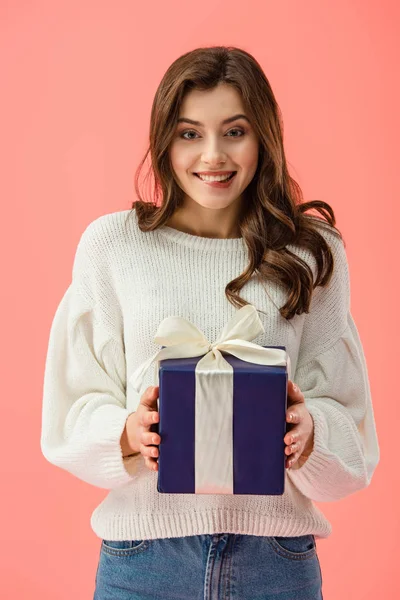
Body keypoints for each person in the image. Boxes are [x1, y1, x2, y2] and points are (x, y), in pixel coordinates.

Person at [40, 46, 380, 600]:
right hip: (144, 562)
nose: (213, 156)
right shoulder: (113, 246)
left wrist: (310, 430)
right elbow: (71, 407)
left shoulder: (313, 253)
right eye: (189, 133)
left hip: (276, 564)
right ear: (163, 140)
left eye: (235, 131)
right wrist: (127, 434)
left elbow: (353, 432)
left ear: (264, 135)